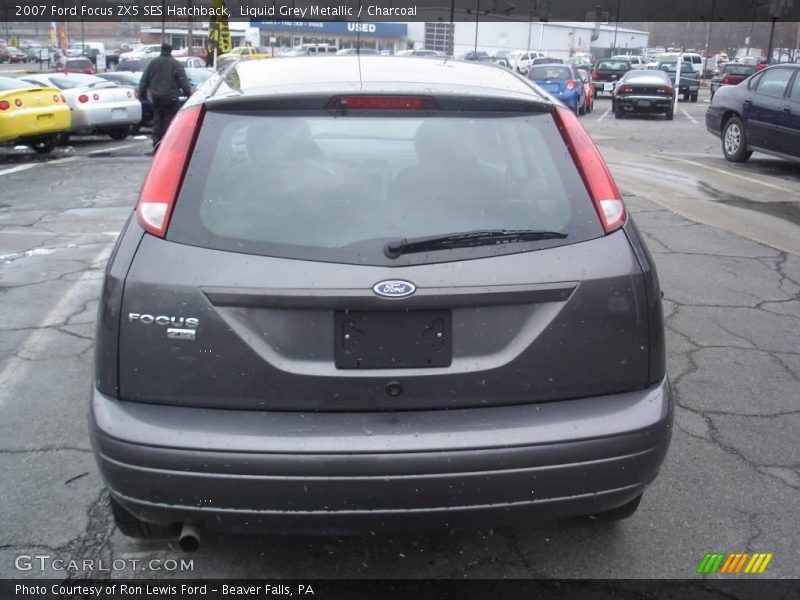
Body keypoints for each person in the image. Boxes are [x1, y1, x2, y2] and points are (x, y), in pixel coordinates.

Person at [139, 43, 193, 147]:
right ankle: (167, 140)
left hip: (156, 96)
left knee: (157, 119)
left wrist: (143, 95)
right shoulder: (175, 64)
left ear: (161, 50)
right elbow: (183, 81)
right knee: (170, 119)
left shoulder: (153, 63)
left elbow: (144, 80)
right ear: (170, 50)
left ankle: (156, 141)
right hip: (171, 97)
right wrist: (188, 94)